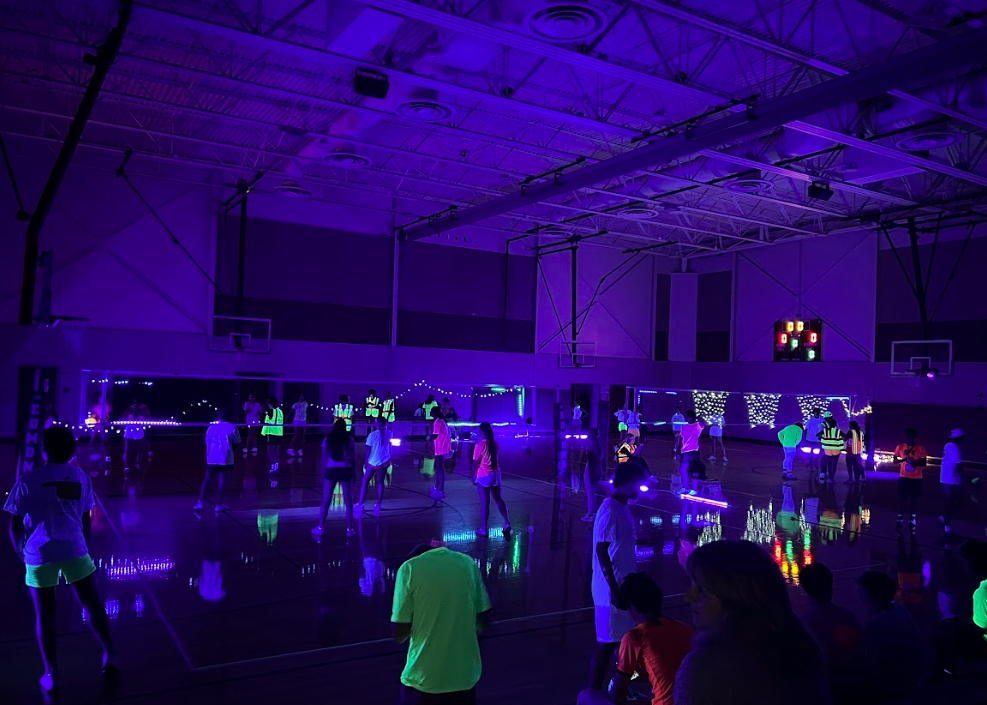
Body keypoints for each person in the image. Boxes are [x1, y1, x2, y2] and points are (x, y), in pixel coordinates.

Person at [4, 426, 117, 693]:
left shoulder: (29, 479)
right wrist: (82, 544)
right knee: (92, 603)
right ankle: (110, 655)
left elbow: (15, 523)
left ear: (44, 449)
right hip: (75, 549)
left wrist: (19, 551)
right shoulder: (80, 477)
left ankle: (51, 673)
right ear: (71, 450)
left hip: (40, 554)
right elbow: (86, 519)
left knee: (45, 614)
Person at [674, 540, 829, 705]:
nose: (688, 597)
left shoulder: (704, 668)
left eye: (702, 590)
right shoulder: (802, 649)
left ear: (735, 597)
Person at [392, 541, 491, 704]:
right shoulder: (467, 564)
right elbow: (484, 619)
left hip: (424, 679)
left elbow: (399, 631)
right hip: (465, 678)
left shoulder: (409, 568)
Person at [576, 572, 693, 705]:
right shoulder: (686, 629)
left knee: (587, 695)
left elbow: (617, 698)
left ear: (634, 608)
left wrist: (621, 675)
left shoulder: (636, 636)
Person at [589, 457, 650, 691]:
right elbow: (601, 549)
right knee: (606, 643)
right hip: (609, 592)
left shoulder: (622, 507)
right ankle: (592, 691)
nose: (640, 491)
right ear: (625, 483)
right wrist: (614, 590)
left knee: (622, 643)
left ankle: (620, 689)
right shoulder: (610, 510)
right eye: (637, 485)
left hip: (622, 588)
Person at [799, 563, 865, 700]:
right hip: (856, 690)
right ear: (831, 586)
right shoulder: (849, 617)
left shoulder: (805, 625)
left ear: (805, 590)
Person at [856, 570, 925, 701]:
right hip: (914, 680)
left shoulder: (876, 625)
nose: (857, 592)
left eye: (860, 589)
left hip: (896, 689)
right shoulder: (899, 608)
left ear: (869, 594)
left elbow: (872, 665)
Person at [314, 419, 356, 537]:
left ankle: (320, 527)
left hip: (331, 470)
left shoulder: (327, 439)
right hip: (345, 469)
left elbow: (323, 458)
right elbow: (353, 458)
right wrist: (354, 473)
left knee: (326, 501)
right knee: (348, 501)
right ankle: (349, 529)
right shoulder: (349, 440)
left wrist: (322, 473)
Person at [196, 408, 239, 512]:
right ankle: (218, 505)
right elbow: (237, 443)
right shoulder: (232, 427)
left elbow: (206, 443)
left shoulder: (210, 428)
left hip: (212, 457)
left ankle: (200, 503)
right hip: (224, 457)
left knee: (207, 479)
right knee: (222, 480)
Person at [473, 421, 510, 538]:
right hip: (496, 474)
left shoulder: (479, 445)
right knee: (498, 499)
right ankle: (506, 522)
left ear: (483, 432)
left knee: (485, 503)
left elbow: (475, 463)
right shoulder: (495, 443)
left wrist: (473, 476)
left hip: (484, 475)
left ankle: (484, 529)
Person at [358, 417, 393, 516]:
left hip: (374, 462)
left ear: (377, 424)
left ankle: (360, 504)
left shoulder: (372, 435)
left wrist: (365, 462)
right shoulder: (389, 433)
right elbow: (389, 447)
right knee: (380, 482)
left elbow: (368, 451)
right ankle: (378, 504)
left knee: (365, 482)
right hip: (385, 461)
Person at [894, 428, 927, 530]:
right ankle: (900, 517)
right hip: (904, 477)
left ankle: (913, 517)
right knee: (902, 498)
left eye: (910, 436)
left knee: (914, 499)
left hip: (916, 478)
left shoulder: (920, 448)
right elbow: (895, 460)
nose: (908, 438)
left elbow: (924, 463)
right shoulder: (900, 447)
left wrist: (914, 462)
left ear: (914, 437)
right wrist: (903, 459)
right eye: (907, 436)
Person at [939, 429, 965, 539]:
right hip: (951, 480)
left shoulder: (948, 445)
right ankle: (947, 527)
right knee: (954, 502)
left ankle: (945, 519)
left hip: (946, 478)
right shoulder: (955, 448)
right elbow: (958, 465)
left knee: (954, 502)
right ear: (959, 438)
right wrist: (968, 480)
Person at [675, 410, 704, 494]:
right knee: (683, 469)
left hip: (694, 451)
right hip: (685, 452)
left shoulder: (697, 425)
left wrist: (698, 416)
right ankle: (685, 487)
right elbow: (681, 439)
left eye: (688, 416)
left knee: (694, 470)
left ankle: (694, 489)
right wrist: (677, 451)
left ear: (692, 417)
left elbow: (702, 422)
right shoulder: (684, 427)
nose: (687, 418)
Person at [581, 428, 604, 523]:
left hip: (592, 468)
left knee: (590, 492)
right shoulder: (598, 443)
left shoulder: (592, 444)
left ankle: (590, 514)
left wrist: (590, 473)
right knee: (592, 492)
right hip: (597, 467)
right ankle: (592, 513)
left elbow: (592, 460)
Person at [122, 397, 150, 472]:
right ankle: (127, 466)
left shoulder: (143, 409)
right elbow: (123, 418)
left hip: (137, 430)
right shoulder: (130, 409)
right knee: (129, 450)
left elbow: (147, 418)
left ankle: (134, 464)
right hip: (131, 430)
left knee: (138, 449)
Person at [430, 407, 452, 500]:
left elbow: (435, 435)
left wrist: (427, 438)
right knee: (438, 467)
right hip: (441, 447)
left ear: (434, 412)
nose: (430, 412)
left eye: (431, 411)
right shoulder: (440, 421)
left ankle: (440, 490)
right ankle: (437, 486)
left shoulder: (438, 422)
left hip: (441, 448)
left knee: (440, 468)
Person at [262, 397, 284, 474]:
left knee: (270, 451)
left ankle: (273, 466)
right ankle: (276, 467)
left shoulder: (270, 411)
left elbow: (266, 419)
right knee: (277, 451)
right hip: (279, 433)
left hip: (272, 433)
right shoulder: (280, 411)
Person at [819, 416, 844, 483]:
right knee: (834, 464)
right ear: (836, 424)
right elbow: (845, 436)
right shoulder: (838, 431)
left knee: (829, 463)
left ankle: (828, 475)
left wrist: (824, 440)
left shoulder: (825, 431)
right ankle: (831, 478)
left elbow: (818, 436)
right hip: (836, 449)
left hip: (827, 449)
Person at [804, 407, 825, 471]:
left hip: (819, 439)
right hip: (810, 439)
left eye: (818, 412)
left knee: (820, 452)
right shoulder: (810, 420)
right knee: (811, 453)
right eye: (815, 412)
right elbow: (806, 429)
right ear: (813, 413)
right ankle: (811, 465)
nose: (817, 413)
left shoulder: (822, 420)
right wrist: (804, 438)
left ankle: (816, 462)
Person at [846, 420, 865, 484]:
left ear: (851, 426)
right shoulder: (860, 433)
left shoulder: (850, 432)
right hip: (857, 452)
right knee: (857, 466)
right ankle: (857, 479)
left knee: (849, 466)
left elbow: (845, 438)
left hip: (850, 452)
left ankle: (850, 479)